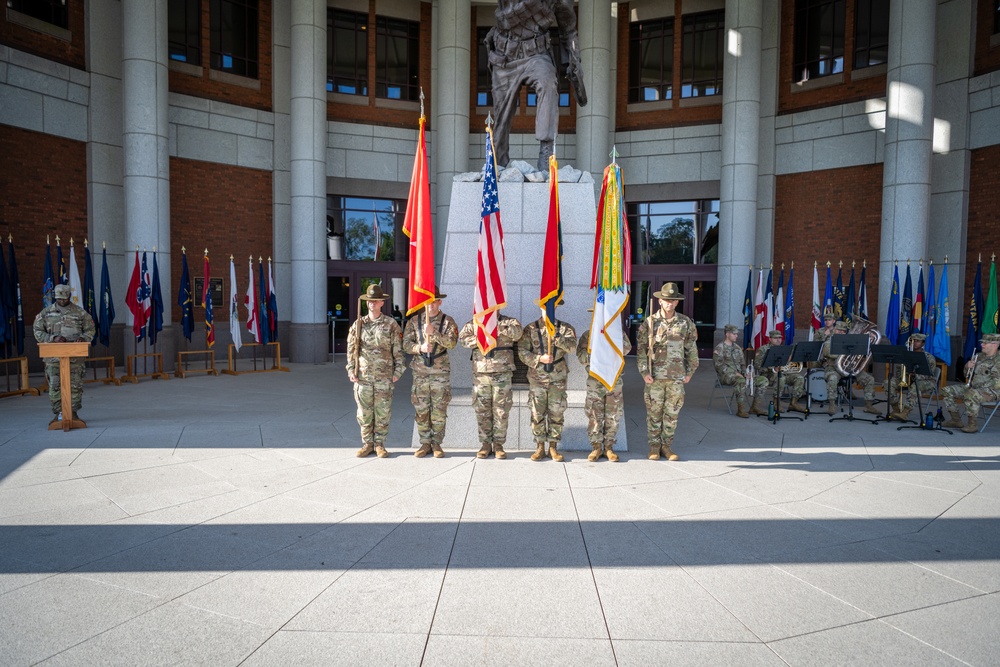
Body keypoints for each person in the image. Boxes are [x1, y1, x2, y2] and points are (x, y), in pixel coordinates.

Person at [485, 0, 586, 170]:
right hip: (505, 57)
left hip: (536, 54)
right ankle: (497, 165)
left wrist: (574, 60)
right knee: (501, 120)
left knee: (548, 83)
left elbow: (568, 31)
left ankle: (545, 155)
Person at [637, 282, 699, 461]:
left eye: (673, 300)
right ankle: (654, 447)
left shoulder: (685, 322)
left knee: (671, 415)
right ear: (660, 301)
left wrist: (690, 372)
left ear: (677, 302)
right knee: (654, 414)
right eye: (666, 300)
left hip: (676, 378)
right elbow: (641, 350)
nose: (669, 303)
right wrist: (644, 372)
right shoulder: (650, 322)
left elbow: (691, 349)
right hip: (654, 377)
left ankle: (667, 447)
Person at [347, 284, 405, 458]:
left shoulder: (390, 324)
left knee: (382, 411)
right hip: (363, 377)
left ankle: (380, 444)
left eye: (375, 301)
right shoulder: (359, 324)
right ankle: (367, 444)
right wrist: (351, 369)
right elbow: (352, 350)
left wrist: (398, 371)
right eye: (369, 301)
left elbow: (398, 350)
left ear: (382, 302)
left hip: (384, 377)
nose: (372, 304)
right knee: (364, 413)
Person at [459, 314, 524, 459]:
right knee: (482, 410)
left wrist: (497, 327)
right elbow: (463, 340)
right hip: (481, 374)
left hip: (503, 373)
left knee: (501, 410)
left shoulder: (509, 321)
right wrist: (482, 336)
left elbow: (518, 334)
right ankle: (485, 444)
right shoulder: (473, 324)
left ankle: (499, 445)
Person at [402, 294, 458, 458]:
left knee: (439, 409)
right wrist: (420, 348)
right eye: (427, 302)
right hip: (420, 371)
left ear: (439, 302)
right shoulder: (414, 322)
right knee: (421, 409)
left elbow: (452, 343)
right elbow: (405, 344)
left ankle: (437, 444)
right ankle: (425, 443)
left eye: (434, 302)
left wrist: (434, 333)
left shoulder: (447, 321)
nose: (431, 306)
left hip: (439, 372)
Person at [518, 311, 577, 462]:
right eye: (545, 306)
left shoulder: (564, 328)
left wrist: (557, 337)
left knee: (556, 412)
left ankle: (553, 446)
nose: (548, 308)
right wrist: (539, 358)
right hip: (537, 377)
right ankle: (539, 447)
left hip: (557, 377)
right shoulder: (531, 328)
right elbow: (522, 352)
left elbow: (571, 348)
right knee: (537, 412)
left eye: (551, 305)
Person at [33, 283, 96, 424]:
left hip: (75, 358)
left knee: (75, 385)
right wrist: (52, 338)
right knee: (55, 385)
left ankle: (73, 413)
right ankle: (58, 414)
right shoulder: (46, 313)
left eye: (64, 298)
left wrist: (84, 338)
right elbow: (37, 331)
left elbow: (90, 329)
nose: (61, 301)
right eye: (59, 298)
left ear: (69, 296)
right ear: (55, 297)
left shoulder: (80, 313)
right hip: (53, 359)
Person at [577, 310, 631, 461]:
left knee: (613, 415)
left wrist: (611, 343)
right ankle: (596, 447)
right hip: (595, 381)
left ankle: (609, 448)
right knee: (594, 414)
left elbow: (626, 349)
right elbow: (581, 357)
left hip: (613, 380)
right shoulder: (588, 335)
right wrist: (598, 355)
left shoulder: (616, 333)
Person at [941, 333, 1000, 433]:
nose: (982, 345)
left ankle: (972, 425)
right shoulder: (979, 356)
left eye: (985, 343)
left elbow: (997, 383)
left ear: (994, 345)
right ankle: (956, 420)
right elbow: (967, 375)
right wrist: (967, 367)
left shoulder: (998, 360)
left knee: (971, 394)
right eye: (982, 343)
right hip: (974, 388)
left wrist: (978, 389)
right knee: (947, 390)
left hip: (992, 391)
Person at [821, 320, 878, 415]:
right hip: (833, 368)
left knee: (870, 379)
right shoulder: (830, 340)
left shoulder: (851, 341)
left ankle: (868, 406)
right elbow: (827, 352)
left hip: (850, 368)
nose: (841, 332)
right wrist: (845, 354)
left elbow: (862, 354)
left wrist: (867, 342)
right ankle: (831, 404)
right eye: (839, 330)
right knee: (832, 378)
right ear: (834, 330)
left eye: (843, 331)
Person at [751, 329, 808, 415]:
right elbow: (757, 365)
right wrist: (772, 368)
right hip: (768, 375)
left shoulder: (785, 349)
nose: (778, 340)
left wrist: (791, 359)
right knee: (781, 378)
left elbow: (793, 362)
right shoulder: (762, 349)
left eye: (780, 338)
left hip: (784, 373)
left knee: (799, 378)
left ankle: (793, 403)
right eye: (775, 338)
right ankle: (776, 402)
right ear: (770, 339)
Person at [887, 332, 938, 422]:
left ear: (923, 343)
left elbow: (928, 374)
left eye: (918, 341)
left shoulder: (929, 357)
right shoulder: (906, 355)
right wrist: (903, 374)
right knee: (888, 383)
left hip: (926, 381)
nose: (914, 343)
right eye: (913, 341)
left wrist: (914, 376)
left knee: (915, 386)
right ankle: (896, 409)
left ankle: (905, 412)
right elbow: (899, 371)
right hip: (907, 380)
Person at [713, 324, 750, 418]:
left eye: (737, 334)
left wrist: (746, 372)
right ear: (727, 334)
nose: (736, 336)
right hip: (725, 376)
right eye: (734, 334)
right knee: (741, 381)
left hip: (739, 375)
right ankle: (741, 409)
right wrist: (735, 373)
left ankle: (755, 407)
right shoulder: (720, 348)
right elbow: (719, 367)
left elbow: (742, 364)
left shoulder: (737, 348)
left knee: (762, 380)